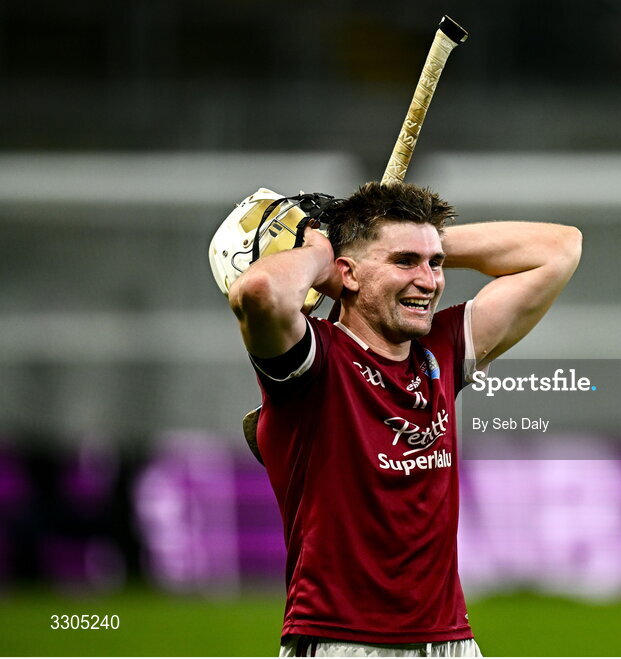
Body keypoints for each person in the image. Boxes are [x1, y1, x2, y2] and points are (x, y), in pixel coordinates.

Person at [227, 181, 582, 657]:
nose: (431, 280)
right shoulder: (312, 366)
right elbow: (257, 290)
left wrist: (417, 243)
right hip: (343, 641)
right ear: (345, 275)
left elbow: (560, 249)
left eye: (434, 264)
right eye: (405, 263)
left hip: (451, 642)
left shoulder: (442, 347)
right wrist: (322, 251)